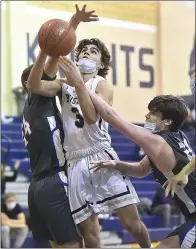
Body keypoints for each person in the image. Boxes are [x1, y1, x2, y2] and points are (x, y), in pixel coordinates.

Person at [56, 61, 195, 248]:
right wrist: (116, 164)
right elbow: (141, 169)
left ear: (167, 121)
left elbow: (111, 117)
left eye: (153, 114)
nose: (146, 116)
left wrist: (79, 85)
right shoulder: (176, 138)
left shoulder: (157, 142)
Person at [27, 40, 152, 247]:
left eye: (93, 52)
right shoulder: (63, 84)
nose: (87, 53)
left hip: (101, 155)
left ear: (101, 64)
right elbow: (33, 86)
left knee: (132, 225)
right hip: (75, 162)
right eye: (83, 51)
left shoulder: (102, 85)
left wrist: (78, 83)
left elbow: (92, 117)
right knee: (90, 235)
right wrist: (45, 51)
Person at [20, 5, 98, 248]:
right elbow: (55, 54)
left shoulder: (29, 109)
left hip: (37, 186)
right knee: (74, 244)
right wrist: (72, 24)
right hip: (54, 180)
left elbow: (56, 52)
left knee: (57, 245)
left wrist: (73, 24)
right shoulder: (39, 97)